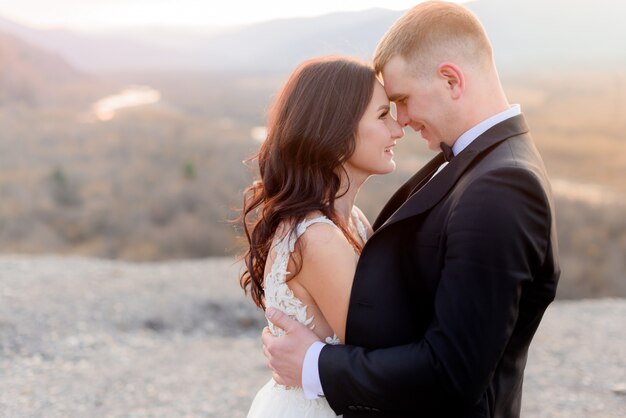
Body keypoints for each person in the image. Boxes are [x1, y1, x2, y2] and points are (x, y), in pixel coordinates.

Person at [262, 2, 560, 417]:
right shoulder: (477, 165)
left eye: (400, 100)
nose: (401, 121)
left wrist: (314, 364)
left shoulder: (499, 185)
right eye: (387, 110)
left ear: (451, 80)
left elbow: (453, 371)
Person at [239, 56, 404, 417]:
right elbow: (383, 354)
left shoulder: (352, 220)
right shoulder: (319, 239)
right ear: (336, 132)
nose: (398, 129)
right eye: (382, 116)